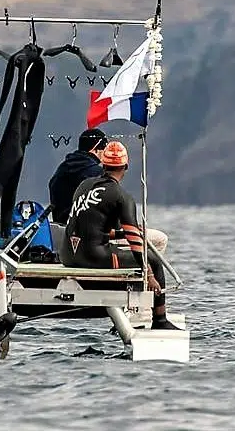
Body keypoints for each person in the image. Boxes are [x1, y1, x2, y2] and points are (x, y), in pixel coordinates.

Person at [61, 141, 180, 330]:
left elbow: (91, 227)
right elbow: (135, 242)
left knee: (118, 250)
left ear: (103, 165)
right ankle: (160, 320)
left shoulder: (84, 185)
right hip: (92, 258)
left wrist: (121, 232)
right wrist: (149, 274)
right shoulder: (121, 196)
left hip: (67, 256)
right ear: (125, 167)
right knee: (153, 260)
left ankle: (132, 312)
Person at [48, 128, 109, 225]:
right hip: (87, 232)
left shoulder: (61, 169)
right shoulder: (97, 173)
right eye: (104, 148)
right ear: (96, 148)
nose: (105, 153)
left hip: (61, 231)